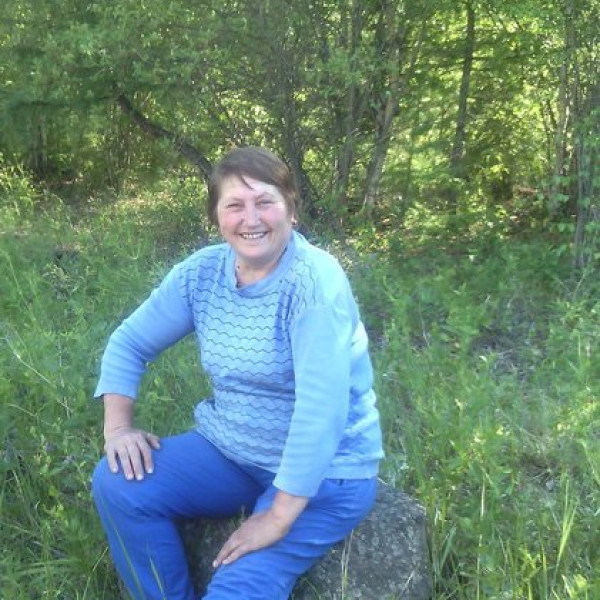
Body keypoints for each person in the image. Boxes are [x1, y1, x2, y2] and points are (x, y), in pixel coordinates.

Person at [91, 146, 384, 600]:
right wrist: (118, 430)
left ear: (291, 209)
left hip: (328, 473)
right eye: (234, 205)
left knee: (237, 586)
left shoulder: (314, 283)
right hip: (231, 454)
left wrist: (278, 517)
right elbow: (129, 343)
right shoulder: (202, 274)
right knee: (118, 482)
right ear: (216, 217)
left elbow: (321, 411)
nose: (252, 218)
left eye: (265, 201)